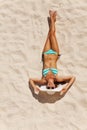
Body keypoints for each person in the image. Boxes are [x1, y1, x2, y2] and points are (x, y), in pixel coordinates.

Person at [29, 10, 75, 95]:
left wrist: (34, 87)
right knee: (52, 34)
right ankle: (52, 19)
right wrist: (65, 88)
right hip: (54, 53)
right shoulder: (57, 79)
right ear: (55, 86)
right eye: (52, 87)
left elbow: (31, 80)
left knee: (49, 35)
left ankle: (52, 19)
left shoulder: (43, 80)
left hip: (46, 53)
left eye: (48, 88)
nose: (50, 86)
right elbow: (72, 78)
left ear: (46, 86)